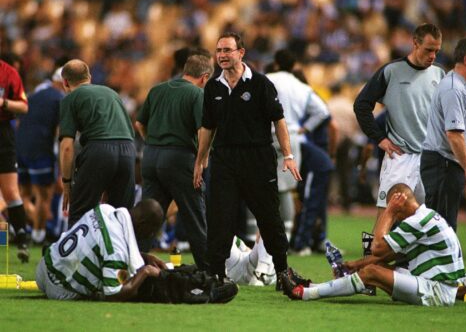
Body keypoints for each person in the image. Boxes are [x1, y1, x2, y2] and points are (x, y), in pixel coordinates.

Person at [193, 32, 302, 289]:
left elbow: (279, 120)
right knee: (220, 218)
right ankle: (216, 275)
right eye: (219, 50)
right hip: (224, 159)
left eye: (228, 50)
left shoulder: (261, 84)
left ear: (241, 53)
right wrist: (200, 160)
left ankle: (282, 271)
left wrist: (288, 155)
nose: (222, 55)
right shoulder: (213, 87)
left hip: (257, 158)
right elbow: (207, 127)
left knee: (268, 217)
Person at [283, 183, 465, 307]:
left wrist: (389, 212)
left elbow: (377, 247)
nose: (396, 219)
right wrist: (356, 264)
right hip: (435, 285)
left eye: (395, 212)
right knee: (373, 267)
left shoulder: (418, 221)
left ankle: (305, 293)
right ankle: (311, 285)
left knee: (372, 272)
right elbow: (387, 255)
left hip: (438, 291)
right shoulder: (424, 216)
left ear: (399, 204)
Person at [353, 23, 445, 232]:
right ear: (415, 43)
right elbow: (361, 105)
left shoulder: (439, 75)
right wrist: (380, 139)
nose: (433, 56)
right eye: (428, 50)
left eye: (437, 51)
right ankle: (369, 262)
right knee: (386, 214)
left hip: (429, 156)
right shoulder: (391, 71)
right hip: (400, 156)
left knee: (426, 218)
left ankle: (414, 263)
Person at [135, 53, 214, 269]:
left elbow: (140, 124)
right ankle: (209, 272)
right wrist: (201, 160)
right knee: (195, 215)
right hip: (179, 158)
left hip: (150, 157)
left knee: (148, 217)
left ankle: (133, 265)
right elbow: (203, 131)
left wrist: (153, 142)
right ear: (205, 77)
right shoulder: (197, 94)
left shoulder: (157, 89)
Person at [421, 37, 466, 231]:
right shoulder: (454, 89)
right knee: (439, 227)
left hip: (451, 164)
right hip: (442, 164)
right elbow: (454, 135)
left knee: (446, 225)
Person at [36, 199, 166, 301]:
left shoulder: (105, 209)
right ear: (142, 223)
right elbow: (113, 295)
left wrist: (144, 256)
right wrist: (145, 271)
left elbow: (101, 245)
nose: (150, 236)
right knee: (121, 289)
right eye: (152, 231)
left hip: (43, 267)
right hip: (59, 289)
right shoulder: (117, 248)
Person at [59, 59, 136, 227]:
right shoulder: (112, 93)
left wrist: (66, 183)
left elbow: (66, 147)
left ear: (65, 82)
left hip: (99, 149)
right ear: (90, 77)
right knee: (121, 215)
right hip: (128, 150)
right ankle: (122, 252)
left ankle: (74, 253)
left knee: (81, 212)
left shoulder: (71, 99)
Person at [265, 49, 330, 244]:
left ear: (276, 63)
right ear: (294, 66)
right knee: (285, 189)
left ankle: (254, 235)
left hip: (264, 135)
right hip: (291, 137)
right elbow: (322, 111)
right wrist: (304, 129)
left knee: (259, 185)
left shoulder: (266, 78)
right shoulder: (301, 86)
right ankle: (285, 235)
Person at [16, 67, 65, 244]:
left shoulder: (33, 95)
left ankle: (27, 226)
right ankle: (38, 236)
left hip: (20, 148)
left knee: (23, 195)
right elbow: (61, 135)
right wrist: (62, 168)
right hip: (41, 151)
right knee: (44, 197)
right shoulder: (60, 99)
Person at [0, 58, 30, 262]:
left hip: (3, 134)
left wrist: (3, 103)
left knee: (10, 191)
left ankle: (22, 238)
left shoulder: (9, 73)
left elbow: (24, 107)